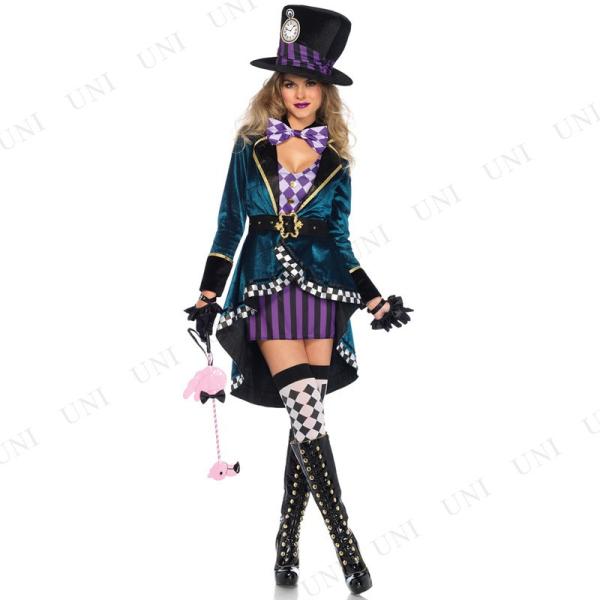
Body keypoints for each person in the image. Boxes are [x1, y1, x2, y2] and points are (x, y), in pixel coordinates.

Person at [184, 5, 413, 594]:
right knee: (306, 412)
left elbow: (340, 242)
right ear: (276, 89)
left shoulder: (337, 162)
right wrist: (209, 293)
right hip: (265, 290)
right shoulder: (249, 147)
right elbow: (229, 224)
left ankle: (286, 544)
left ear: (325, 91)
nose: (301, 92)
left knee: (305, 418)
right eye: (290, 82)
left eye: (310, 82)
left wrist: (374, 300)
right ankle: (347, 548)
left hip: (323, 296)